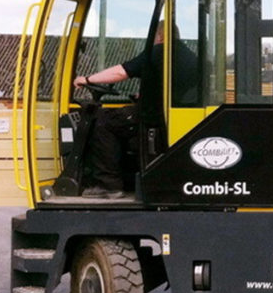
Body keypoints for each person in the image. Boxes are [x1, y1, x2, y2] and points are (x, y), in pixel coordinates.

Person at [72, 24, 199, 198]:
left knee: (101, 121)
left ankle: (108, 185)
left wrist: (87, 79)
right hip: (166, 114)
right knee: (117, 119)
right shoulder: (190, 56)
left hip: (151, 115)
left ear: (160, 36)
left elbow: (120, 73)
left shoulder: (159, 52)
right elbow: (170, 85)